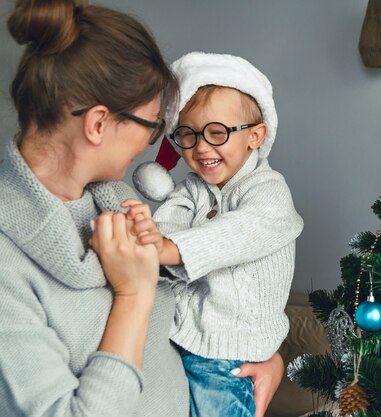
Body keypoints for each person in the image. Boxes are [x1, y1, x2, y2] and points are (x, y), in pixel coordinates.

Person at [0, 1, 283, 416]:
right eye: (154, 126)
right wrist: (133, 295)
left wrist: (258, 356)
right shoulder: (8, 264)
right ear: (98, 124)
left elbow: (177, 327)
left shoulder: (112, 202)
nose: (152, 146)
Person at [128, 52, 304, 417]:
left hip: (229, 354)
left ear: (255, 136)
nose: (201, 147)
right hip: (177, 338)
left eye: (217, 133)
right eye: (188, 135)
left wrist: (168, 248)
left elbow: (239, 233)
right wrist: (150, 237)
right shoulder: (189, 190)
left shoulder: (268, 190)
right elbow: (165, 229)